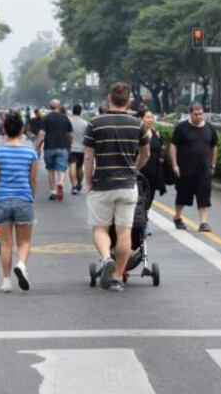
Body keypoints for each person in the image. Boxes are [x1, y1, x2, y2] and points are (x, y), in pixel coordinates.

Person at [83, 82, 150, 292]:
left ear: (109, 98)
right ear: (129, 100)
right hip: (128, 185)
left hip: (103, 183)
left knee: (100, 229)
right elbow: (146, 153)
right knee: (124, 233)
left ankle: (105, 259)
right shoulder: (138, 125)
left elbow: (87, 156)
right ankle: (118, 277)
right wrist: (134, 168)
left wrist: (88, 180)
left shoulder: (95, 123)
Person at [0, 113, 38, 292]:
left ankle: (6, 281)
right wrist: (32, 197)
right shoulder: (31, 152)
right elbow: (33, 179)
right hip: (24, 199)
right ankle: (21, 265)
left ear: (4, 129)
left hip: (2, 200)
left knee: (6, 243)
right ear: (22, 130)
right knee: (24, 242)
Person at [170, 102, 219, 232]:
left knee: (204, 196)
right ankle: (177, 217)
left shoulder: (209, 128)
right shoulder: (182, 128)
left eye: (201, 114)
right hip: (185, 169)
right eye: (196, 114)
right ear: (190, 114)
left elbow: (214, 146)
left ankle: (203, 222)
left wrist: (213, 164)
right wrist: (174, 165)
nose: (199, 117)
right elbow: (173, 146)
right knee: (183, 196)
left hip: (204, 169)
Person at [35, 99, 73, 201]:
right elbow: (69, 134)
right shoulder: (65, 118)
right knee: (61, 169)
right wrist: (69, 146)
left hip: (49, 147)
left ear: (50, 107)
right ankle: (60, 182)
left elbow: (42, 134)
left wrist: (37, 147)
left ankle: (53, 191)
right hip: (62, 146)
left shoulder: (46, 118)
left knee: (50, 170)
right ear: (59, 106)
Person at [68, 104, 89, 195]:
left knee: (72, 166)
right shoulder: (85, 123)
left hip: (71, 147)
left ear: (73, 111)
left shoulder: (68, 121)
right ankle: (79, 183)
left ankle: (73, 186)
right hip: (81, 148)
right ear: (81, 112)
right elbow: (87, 137)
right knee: (80, 167)